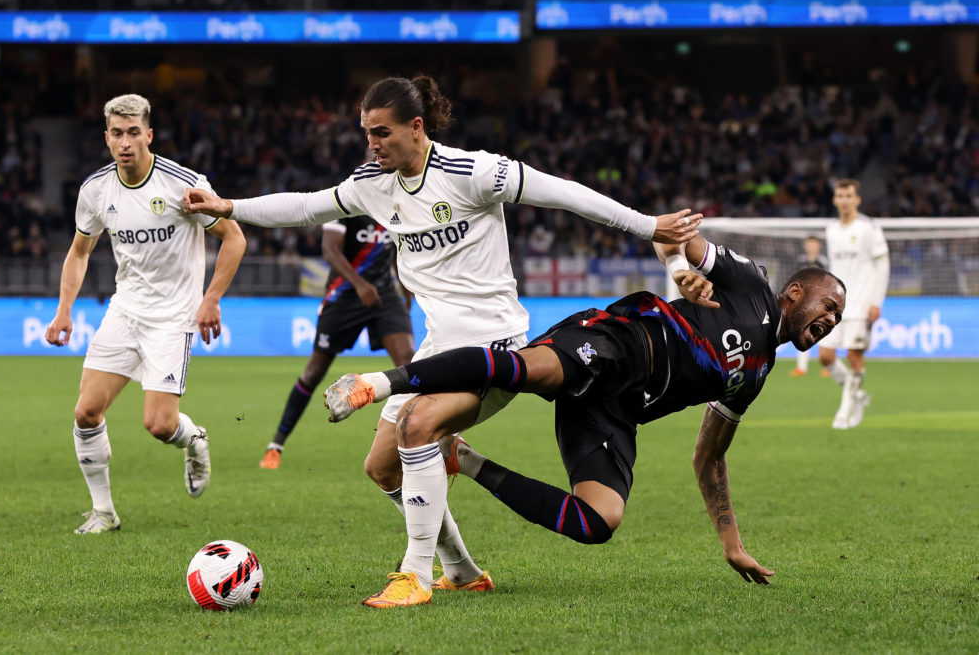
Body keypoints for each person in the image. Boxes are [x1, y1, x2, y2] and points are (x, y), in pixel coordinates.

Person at [181, 75, 703, 607]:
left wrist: (645, 225)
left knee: (419, 424)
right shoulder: (372, 183)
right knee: (380, 467)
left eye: (381, 133)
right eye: (366, 133)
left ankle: (416, 576)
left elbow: (562, 193)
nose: (372, 144)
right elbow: (307, 207)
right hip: (438, 349)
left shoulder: (472, 171)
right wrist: (229, 206)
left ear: (416, 126)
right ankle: (461, 569)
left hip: (496, 346)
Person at [327, 235, 845, 587]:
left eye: (837, 319)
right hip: (623, 341)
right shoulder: (751, 281)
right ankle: (375, 384)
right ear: (795, 292)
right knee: (525, 370)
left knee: (599, 520)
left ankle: (463, 459)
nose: (830, 320)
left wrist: (731, 544)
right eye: (828, 307)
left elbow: (709, 459)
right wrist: (682, 269)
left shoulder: (754, 376)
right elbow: (668, 232)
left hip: (616, 412)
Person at [45, 94, 246, 534]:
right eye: (117, 133)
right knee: (86, 412)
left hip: (174, 318)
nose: (125, 142)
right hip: (125, 310)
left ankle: (193, 438)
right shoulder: (96, 190)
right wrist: (64, 311)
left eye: (134, 132)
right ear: (106, 137)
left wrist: (211, 298)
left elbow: (234, 238)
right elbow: (79, 253)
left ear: (149, 135)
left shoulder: (183, 184)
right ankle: (103, 512)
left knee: (158, 425)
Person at [259, 215, 415, 469]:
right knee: (313, 373)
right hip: (344, 295)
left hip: (384, 295)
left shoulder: (392, 203)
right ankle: (276, 445)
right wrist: (361, 285)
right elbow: (329, 250)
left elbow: (399, 249)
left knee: (409, 363)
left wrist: (406, 291)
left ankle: (416, 444)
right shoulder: (346, 201)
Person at [816, 179, 889, 429]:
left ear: (857, 199)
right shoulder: (831, 230)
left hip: (861, 304)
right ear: (835, 200)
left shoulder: (869, 228)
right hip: (837, 305)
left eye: (849, 195)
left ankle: (845, 411)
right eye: (840, 195)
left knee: (854, 357)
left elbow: (883, 264)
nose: (844, 200)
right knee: (825, 356)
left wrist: (876, 301)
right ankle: (857, 394)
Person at [790, 235, 828, 377]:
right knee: (802, 333)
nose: (811, 247)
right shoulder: (801, 262)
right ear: (806, 246)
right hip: (804, 304)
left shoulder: (824, 263)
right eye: (809, 244)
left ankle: (828, 365)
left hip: (821, 303)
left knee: (824, 333)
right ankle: (801, 368)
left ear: (819, 246)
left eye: (814, 244)